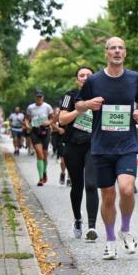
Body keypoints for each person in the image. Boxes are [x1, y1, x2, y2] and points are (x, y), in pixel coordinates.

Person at [74, 37, 138, 260]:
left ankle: (125, 229)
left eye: (120, 48)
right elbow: (78, 104)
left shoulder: (134, 78)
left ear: (125, 53)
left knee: (126, 189)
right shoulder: (94, 81)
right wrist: (88, 104)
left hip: (126, 144)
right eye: (112, 48)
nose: (116, 51)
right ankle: (110, 240)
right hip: (101, 146)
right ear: (106, 53)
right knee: (107, 196)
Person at [58, 66, 101, 241]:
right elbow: (62, 119)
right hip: (72, 145)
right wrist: (80, 109)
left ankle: (92, 227)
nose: (84, 78)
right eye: (81, 75)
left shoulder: (100, 96)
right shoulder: (70, 95)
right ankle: (78, 219)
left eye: (88, 75)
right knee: (77, 186)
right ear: (77, 79)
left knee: (91, 184)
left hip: (93, 145)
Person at [25, 90, 53, 186]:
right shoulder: (31, 107)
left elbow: (52, 118)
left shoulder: (47, 106)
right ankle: (41, 178)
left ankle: (44, 172)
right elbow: (27, 119)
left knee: (45, 156)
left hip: (45, 131)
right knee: (39, 154)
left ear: (43, 97)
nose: (39, 98)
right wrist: (27, 125)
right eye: (37, 97)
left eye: (40, 97)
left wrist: (48, 123)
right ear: (35, 97)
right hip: (35, 131)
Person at [50, 106, 68, 184]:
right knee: (64, 159)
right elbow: (52, 123)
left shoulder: (80, 111)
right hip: (63, 138)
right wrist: (59, 129)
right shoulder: (62, 112)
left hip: (75, 138)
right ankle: (63, 173)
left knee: (74, 161)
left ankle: (70, 178)